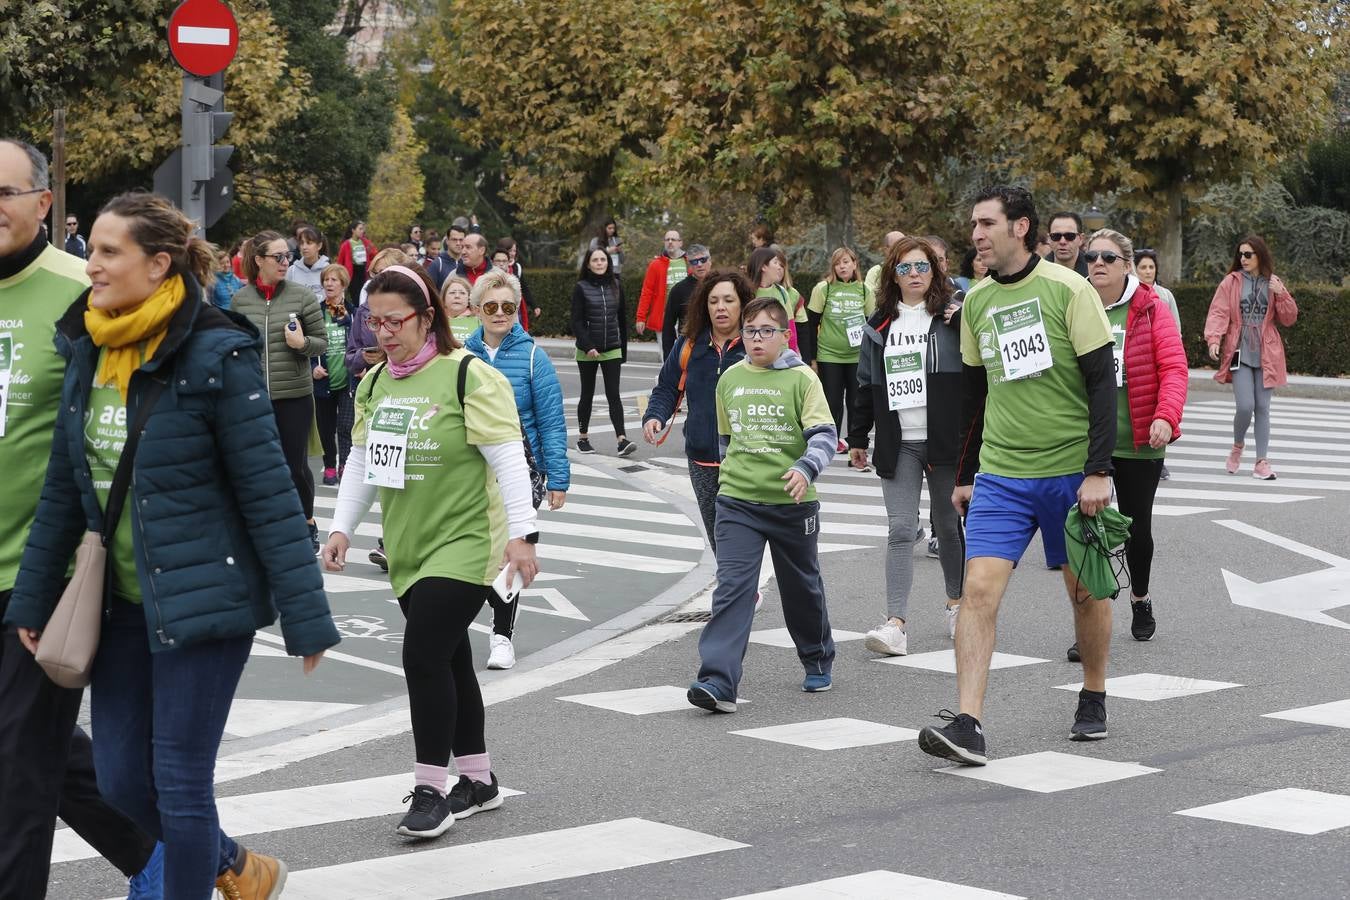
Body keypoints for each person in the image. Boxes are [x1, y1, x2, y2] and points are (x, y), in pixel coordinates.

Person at [5, 190, 339, 899]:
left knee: (180, 783)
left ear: (159, 265)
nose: (90, 264)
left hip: (204, 604)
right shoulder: (86, 347)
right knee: (123, 781)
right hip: (122, 605)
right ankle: (237, 868)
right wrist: (33, 599)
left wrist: (306, 615)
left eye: (107, 252)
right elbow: (67, 492)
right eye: (89, 248)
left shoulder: (218, 354)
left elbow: (269, 493)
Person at [322, 263, 539, 840]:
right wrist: (342, 526)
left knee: (422, 655)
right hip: (409, 546)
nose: (384, 332)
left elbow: (508, 460)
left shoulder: (468, 376)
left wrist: (523, 534)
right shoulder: (374, 383)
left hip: (468, 543)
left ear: (427, 318)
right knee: (448, 659)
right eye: (375, 321)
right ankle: (479, 777)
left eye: (396, 321)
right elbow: (364, 463)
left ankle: (431, 789)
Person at [0, 140, 163, 900]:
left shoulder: (84, 292)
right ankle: (185, 856)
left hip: (39, 579)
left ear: (42, 202)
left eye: (4, 192)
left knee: (16, 780)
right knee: (37, 752)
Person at [916, 186, 1117, 766]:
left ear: (1020, 227)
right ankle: (969, 722)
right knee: (977, 593)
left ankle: (1094, 692)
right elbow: (975, 396)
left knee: (1085, 593)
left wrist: (1099, 471)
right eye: (973, 223)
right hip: (1002, 474)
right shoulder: (976, 302)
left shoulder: (1068, 289)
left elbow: (1103, 383)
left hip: (1070, 472)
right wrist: (966, 472)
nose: (975, 233)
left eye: (986, 223)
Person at [686, 296, 838, 712]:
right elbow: (726, 440)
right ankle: (717, 681)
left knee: (801, 589)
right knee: (733, 588)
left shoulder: (803, 379)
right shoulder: (730, 379)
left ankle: (817, 655)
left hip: (793, 504)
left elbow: (825, 434)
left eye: (766, 330)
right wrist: (729, 484)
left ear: (784, 334)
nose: (756, 338)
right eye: (750, 330)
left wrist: (805, 469)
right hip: (738, 503)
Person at [1057, 230, 1186, 663]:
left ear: (1127, 265)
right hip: (1087, 439)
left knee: (1136, 529)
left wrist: (1166, 417)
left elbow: (1173, 367)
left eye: (1108, 257)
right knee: (1087, 529)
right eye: (1091, 256)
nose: (1097, 263)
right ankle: (1091, 624)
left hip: (1139, 439)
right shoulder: (1075, 302)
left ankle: (1140, 595)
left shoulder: (1150, 308)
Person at [848, 237, 966, 656]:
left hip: (945, 440)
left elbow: (976, 374)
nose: (913, 274)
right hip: (898, 441)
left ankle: (957, 603)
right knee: (900, 530)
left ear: (935, 271)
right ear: (891, 275)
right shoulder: (879, 324)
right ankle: (896, 622)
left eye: (921, 267)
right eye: (904, 268)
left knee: (947, 526)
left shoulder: (954, 314)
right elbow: (864, 383)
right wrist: (859, 438)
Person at [465, 270, 570, 671]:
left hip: (520, 471)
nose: (500, 314)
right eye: (491, 306)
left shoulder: (532, 356)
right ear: (476, 310)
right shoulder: (461, 354)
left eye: (508, 307)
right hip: (472, 471)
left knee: (512, 553)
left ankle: (502, 636)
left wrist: (557, 477)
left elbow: (551, 421)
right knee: (478, 555)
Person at [231, 229, 328, 552]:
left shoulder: (301, 296)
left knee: (294, 464)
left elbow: (322, 342)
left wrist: (302, 345)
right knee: (255, 464)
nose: (286, 262)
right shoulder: (240, 300)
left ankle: (307, 522)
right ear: (258, 261)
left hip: (294, 396)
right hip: (252, 396)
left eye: (288, 256)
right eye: (278, 257)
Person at [643, 270, 752, 548]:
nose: (721, 307)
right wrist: (655, 415)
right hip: (702, 459)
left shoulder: (755, 346)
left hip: (747, 461)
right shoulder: (690, 344)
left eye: (729, 300)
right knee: (718, 539)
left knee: (743, 538)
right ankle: (737, 590)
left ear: (743, 304)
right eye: (713, 301)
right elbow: (667, 386)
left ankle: (741, 589)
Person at [1205, 236, 1298, 481]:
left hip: (1268, 351)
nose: (1243, 259)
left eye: (1248, 255)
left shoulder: (1273, 282)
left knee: (1263, 407)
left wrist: (1282, 295)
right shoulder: (1231, 282)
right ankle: (1238, 446)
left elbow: (1289, 318)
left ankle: (1261, 461)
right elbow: (1218, 311)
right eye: (1241, 255)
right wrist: (1214, 338)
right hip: (1239, 349)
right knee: (1245, 406)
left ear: (1260, 256)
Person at [343, 247, 411, 573]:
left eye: (388, 274)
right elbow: (350, 356)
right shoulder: (362, 312)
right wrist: (364, 360)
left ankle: (402, 539)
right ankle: (390, 541)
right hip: (372, 396)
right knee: (386, 471)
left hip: (409, 396)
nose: (379, 281)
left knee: (408, 475)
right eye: (375, 275)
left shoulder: (418, 311)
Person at [806, 246, 876, 454]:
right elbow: (811, 324)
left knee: (856, 401)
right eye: (838, 263)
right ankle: (830, 439)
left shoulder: (865, 290)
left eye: (846, 262)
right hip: (829, 355)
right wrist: (812, 357)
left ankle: (854, 442)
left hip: (857, 356)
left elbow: (872, 324)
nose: (842, 266)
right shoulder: (823, 289)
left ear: (854, 264)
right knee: (832, 401)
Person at [571, 247, 635, 456]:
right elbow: (576, 321)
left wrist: (623, 350)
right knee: (587, 394)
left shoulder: (616, 285)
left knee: (613, 394)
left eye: (603, 259)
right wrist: (588, 345)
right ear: (588, 264)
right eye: (595, 260)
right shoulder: (581, 287)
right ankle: (583, 438)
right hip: (587, 350)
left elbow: (622, 320)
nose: (599, 263)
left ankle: (622, 439)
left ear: (608, 262)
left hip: (612, 348)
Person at [315, 263, 355, 486]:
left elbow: (360, 341)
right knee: (326, 428)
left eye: (334, 280)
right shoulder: (316, 312)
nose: (329, 284)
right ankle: (330, 465)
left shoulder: (353, 311)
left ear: (343, 285)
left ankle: (345, 466)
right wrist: (313, 366)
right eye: (326, 280)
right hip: (324, 379)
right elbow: (307, 343)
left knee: (346, 426)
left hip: (347, 378)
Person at [747, 246, 810, 356]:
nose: (780, 268)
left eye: (781, 265)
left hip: (782, 354)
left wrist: (793, 353)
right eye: (775, 263)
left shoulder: (782, 292)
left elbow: (790, 325)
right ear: (763, 266)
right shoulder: (747, 293)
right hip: (756, 354)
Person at [636, 229, 686, 356]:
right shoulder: (656, 265)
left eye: (673, 239)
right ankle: (666, 376)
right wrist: (641, 318)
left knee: (684, 355)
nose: (670, 242)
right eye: (667, 239)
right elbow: (647, 292)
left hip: (687, 317)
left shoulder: (690, 263)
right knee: (666, 355)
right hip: (664, 317)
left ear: (680, 243)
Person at [661, 243, 713, 351]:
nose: (699, 265)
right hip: (689, 347)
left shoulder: (721, 285)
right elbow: (668, 326)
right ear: (689, 265)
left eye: (703, 260)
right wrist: (668, 359)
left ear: (710, 261)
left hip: (716, 347)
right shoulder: (678, 290)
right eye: (694, 262)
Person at [1132, 249, 1181, 330]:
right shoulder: (1130, 294)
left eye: (1151, 267)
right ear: (1135, 270)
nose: (1148, 271)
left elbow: (1176, 326)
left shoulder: (1166, 295)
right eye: (1143, 268)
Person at [497, 237, 538, 328]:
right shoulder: (494, 267)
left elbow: (524, 288)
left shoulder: (517, 267)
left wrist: (534, 306)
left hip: (515, 307)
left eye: (514, 251)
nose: (512, 253)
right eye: (509, 250)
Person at [285, 225, 329, 303]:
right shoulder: (292, 271)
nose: (304, 247)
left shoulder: (329, 270)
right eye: (302, 243)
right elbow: (285, 299)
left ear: (319, 246)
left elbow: (338, 301)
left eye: (309, 243)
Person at [337, 220, 377, 298]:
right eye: (360, 229)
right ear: (353, 230)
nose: (362, 231)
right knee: (355, 296)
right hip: (353, 273)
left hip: (364, 272)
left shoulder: (365, 242)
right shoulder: (346, 244)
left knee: (365, 293)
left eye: (363, 229)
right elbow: (340, 262)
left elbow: (375, 254)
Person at [1044, 211, 1089, 276]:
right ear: (1049, 239)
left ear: (1081, 239)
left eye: (1070, 236)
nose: (1062, 242)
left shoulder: (1093, 273)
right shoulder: (1036, 273)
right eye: (1056, 236)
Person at [442, 274, 479, 344]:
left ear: (469, 299)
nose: (457, 296)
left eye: (462, 293)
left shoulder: (479, 321)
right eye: (452, 293)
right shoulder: (435, 321)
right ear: (443, 299)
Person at [210, 246, 243, 311]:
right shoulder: (212, 281)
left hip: (237, 313)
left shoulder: (236, 279)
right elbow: (210, 302)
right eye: (222, 263)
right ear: (216, 265)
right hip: (222, 315)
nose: (226, 265)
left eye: (227, 262)